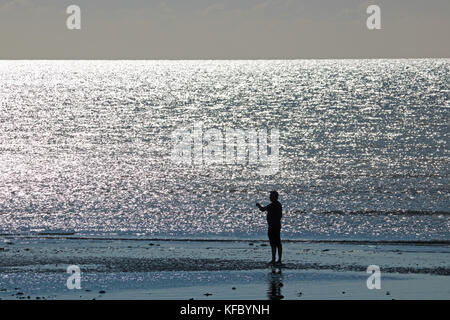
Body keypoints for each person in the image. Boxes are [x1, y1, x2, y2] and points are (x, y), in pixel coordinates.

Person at [256, 191, 282, 266]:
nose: (270, 197)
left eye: (271, 196)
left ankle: (274, 260)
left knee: (273, 243)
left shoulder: (272, 205)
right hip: (277, 225)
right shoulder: (278, 204)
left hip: (272, 226)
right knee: (278, 243)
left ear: (274, 197)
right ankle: (278, 260)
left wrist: (258, 205)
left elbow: (262, 209)